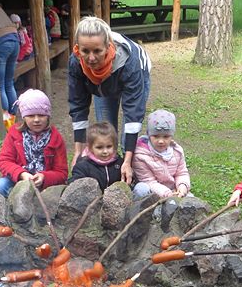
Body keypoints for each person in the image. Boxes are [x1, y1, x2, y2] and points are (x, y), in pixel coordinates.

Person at [68, 16, 151, 184]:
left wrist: (128, 161)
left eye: (97, 51)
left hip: (132, 71)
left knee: (124, 138)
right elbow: (78, 105)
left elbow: (133, 115)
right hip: (100, 81)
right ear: (78, 49)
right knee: (105, 131)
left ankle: (126, 173)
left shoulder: (130, 63)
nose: (91, 58)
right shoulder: (76, 62)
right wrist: (79, 150)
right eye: (85, 51)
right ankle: (105, 177)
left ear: (108, 46)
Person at [0, 88, 68, 197]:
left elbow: (62, 172)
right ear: (24, 117)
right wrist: (22, 174)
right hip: (18, 180)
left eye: (41, 115)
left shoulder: (55, 138)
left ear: (48, 116)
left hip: (46, 185)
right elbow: (4, 161)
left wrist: (44, 177)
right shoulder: (14, 133)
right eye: (31, 116)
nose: (36, 120)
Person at [132, 110, 189, 199]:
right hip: (152, 192)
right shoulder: (141, 155)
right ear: (149, 134)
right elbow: (149, 181)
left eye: (166, 137)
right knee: (141, 189)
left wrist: (182, 186)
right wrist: (167, 194)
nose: (161, 141)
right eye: (156, 136)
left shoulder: (177, 151)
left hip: (173, 190)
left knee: (190, 199)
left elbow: (181, 173)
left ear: (171, 136)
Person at [68, 121, 125, 191]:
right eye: (99, 147)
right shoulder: (83, 166)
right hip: (92, 199)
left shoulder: (119, 162)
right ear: (90, 147)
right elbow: (74, 184)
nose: (105, 151)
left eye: (109, 146)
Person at [0, 0, 20, 113]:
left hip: (2, 44)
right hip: (15, 41)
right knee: (9, 82)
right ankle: (13, 113)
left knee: (0, 85)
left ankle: (5, 116)